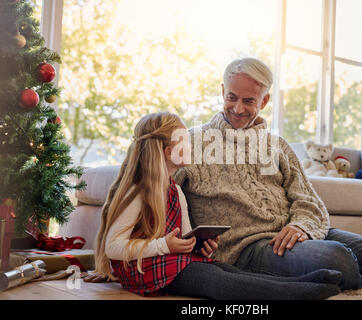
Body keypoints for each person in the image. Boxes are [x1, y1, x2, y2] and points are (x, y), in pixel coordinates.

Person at [173, 58, 362, 295]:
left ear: (265, 100)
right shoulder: (193, 142)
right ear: (222, 91)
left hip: (299, 235)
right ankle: (354, 273)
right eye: (232, 97)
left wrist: (302, 227)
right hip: (248, 249)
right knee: (337, 258)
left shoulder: (276, 146)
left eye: (249, 100)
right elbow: (150, 188)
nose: (238, 108)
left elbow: (309, 200)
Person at [90, 111, 343, 300]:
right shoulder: (139, 191)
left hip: (172, 261)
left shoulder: (175, 190)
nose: (191, 144)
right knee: (216, 281)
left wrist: (199, 246)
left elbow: (185, 239)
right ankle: (300, 293)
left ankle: (305, 281)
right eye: (184, 140)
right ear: (169, 152)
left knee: (221, 268)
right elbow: (113, 247)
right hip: (146, 270)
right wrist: (163, 245)